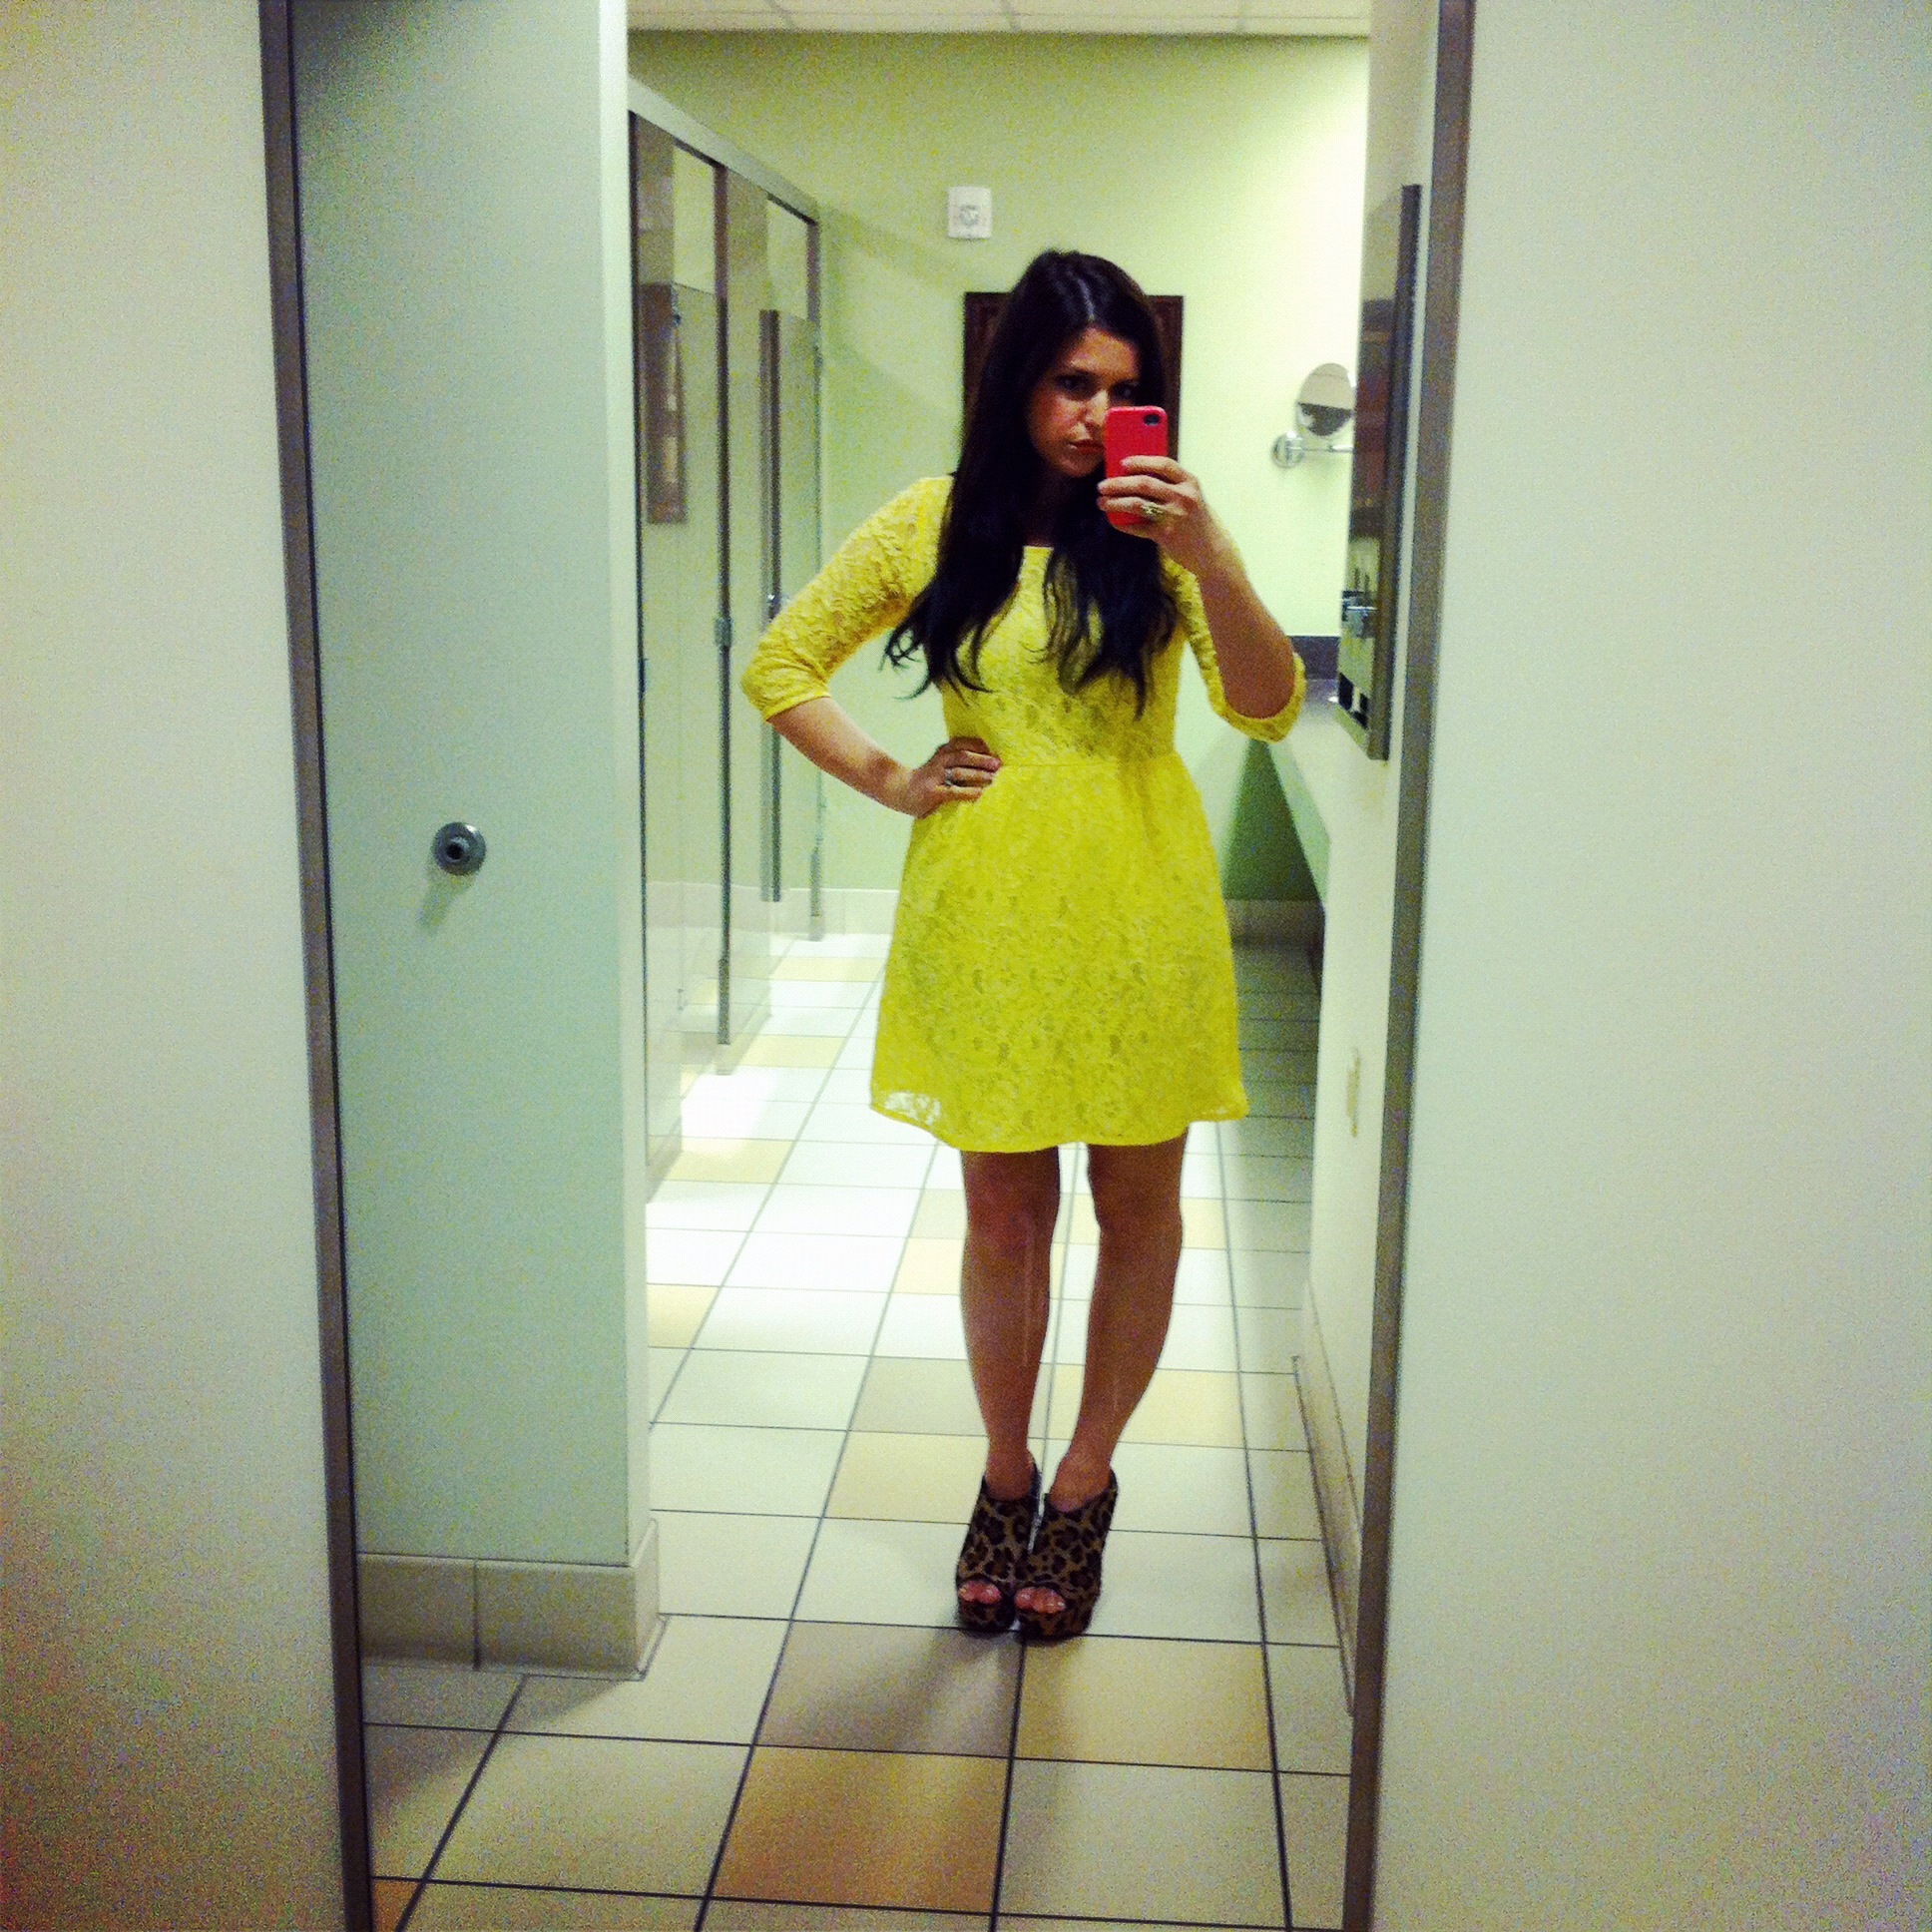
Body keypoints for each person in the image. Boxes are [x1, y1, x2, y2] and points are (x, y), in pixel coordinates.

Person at [739, 249, 1304, 1641]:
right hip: (988, 910)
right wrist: (893, 779)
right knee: (1004, 1211)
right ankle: (1004, 1473)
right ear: (1015, 386)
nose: (1093, 415)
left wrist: (1212, 555)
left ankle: (1087, 1479)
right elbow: (779, 664)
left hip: (1140, 910)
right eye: (1069, 382)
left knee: (1138, 1205)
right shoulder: (936, 521)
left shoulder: (1162, 538)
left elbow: (1267, 705)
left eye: (1121, 389)